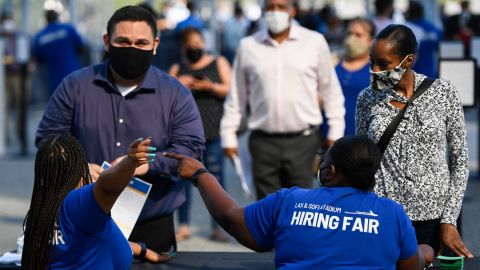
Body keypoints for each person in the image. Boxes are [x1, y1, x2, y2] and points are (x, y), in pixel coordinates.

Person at [35, 6, 205, 255]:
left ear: (155, 45)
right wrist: (78, 167)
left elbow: (191, 150)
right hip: (86, 221)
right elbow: (48, 139)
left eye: (141, 42)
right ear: (107, 41)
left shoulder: (175, 93)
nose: (132, 49)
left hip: (152, 226)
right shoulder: (75, 86)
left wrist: (147, 163)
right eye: (123, 42)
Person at [165, 135, 433, 269]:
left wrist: (200, 174)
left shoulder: (290, 201)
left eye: (325, 162)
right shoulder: (392, 214)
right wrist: (427, 251)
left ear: (331, 171)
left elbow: (233, 220)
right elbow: (411, 265)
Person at [356, 24, 473, 258]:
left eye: (383, 64)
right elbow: (361, 160)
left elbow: (460, 161)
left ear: (408, 60)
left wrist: (449, 220)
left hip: (433, 220)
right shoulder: (367, 98)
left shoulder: (443, 92)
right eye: (372, 62)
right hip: (382, 216)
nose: (375, 70)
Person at [220, 0, 345, 200]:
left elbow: (331, 91)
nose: (275, 12)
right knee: (267, 207)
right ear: (263, 11)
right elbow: (237, 96)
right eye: (270, 7)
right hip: (263, 141)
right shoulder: (249, 46)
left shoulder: (314, 42)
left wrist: (335, 131)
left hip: (303, 141)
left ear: (291, 10)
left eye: (280, 7)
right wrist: (228, 134)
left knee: (301, 206)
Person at [22, 135, 168, 269]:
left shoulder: (41, 211)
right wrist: (130, 162)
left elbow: (85, 239)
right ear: (80, 167)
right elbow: (106, 186)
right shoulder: (78, 202)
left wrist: (141, 250)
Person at [169, 27, 232, 242]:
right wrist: (180, 84)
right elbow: (165, 93)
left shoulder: (218, 62)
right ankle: (184, 225)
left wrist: (210, 86)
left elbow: (230, 89)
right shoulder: (178, 68)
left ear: (205, 43)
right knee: (183, 182)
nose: (194, 47)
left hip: (213, 132)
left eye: (198, 42)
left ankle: (218, 227)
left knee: (215, 181)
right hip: (184, 137)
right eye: (190, 43)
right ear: (183, 46)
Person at [335, 18, 375, 135]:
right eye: (350, 34)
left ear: (371, 40)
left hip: (362, 139)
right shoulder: (333, 61)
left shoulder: (378, 69)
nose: (352, 39)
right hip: (330, 137)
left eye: (358, 35)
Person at [31, 9, 84, 94]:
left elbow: (38, 58)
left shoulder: (40, 36)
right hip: (74, 75)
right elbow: (81, 47)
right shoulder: (68, 29)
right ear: (57, 17)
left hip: (54, 81)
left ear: (46, 19)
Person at [0, 11, 30, 155]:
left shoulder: (19, 36)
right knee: (3, 109)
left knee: (20, 108)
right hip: (3, 76)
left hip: (18, 75)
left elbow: (25, 56)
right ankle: (4, 139)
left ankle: (22, 141)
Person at [406, 1, 442, 78]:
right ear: (422, 12)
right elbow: (439, 47)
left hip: (411, 73)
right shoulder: (432, 28)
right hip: (429, 71)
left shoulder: (405, 28)